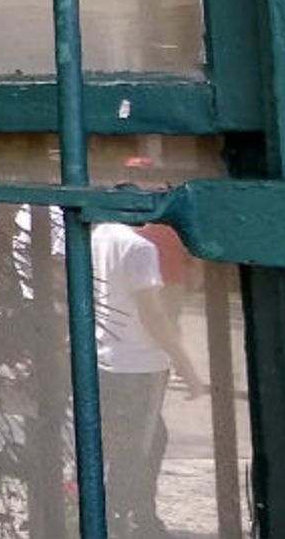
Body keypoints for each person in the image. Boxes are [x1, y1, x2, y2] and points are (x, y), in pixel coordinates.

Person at [93, 216, 205, 539]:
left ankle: (138, 515)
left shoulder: (100, 235)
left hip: (108, 357)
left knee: (145, 439)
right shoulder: (139, 248)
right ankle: (122, 517)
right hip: (139, 364)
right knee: (139, 445)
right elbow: (153, 314)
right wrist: (185, 363)